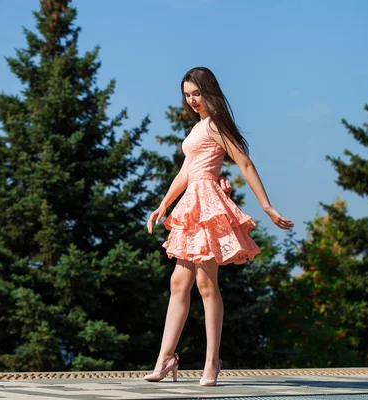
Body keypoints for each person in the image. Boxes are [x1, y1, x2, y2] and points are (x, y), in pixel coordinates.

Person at [144, 67, 294, 386]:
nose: (191, 100)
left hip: (209, 205)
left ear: (209, 92)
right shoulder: (198, 127)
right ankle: (166, 359)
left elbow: (245, 162)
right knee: (178, 283)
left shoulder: (215, 125)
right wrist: (163, 205)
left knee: (205, 284)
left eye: (196, 93)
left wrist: (266, 206)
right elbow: (186, 172)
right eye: (187, 95)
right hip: (191, 204)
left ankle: (212, 362)